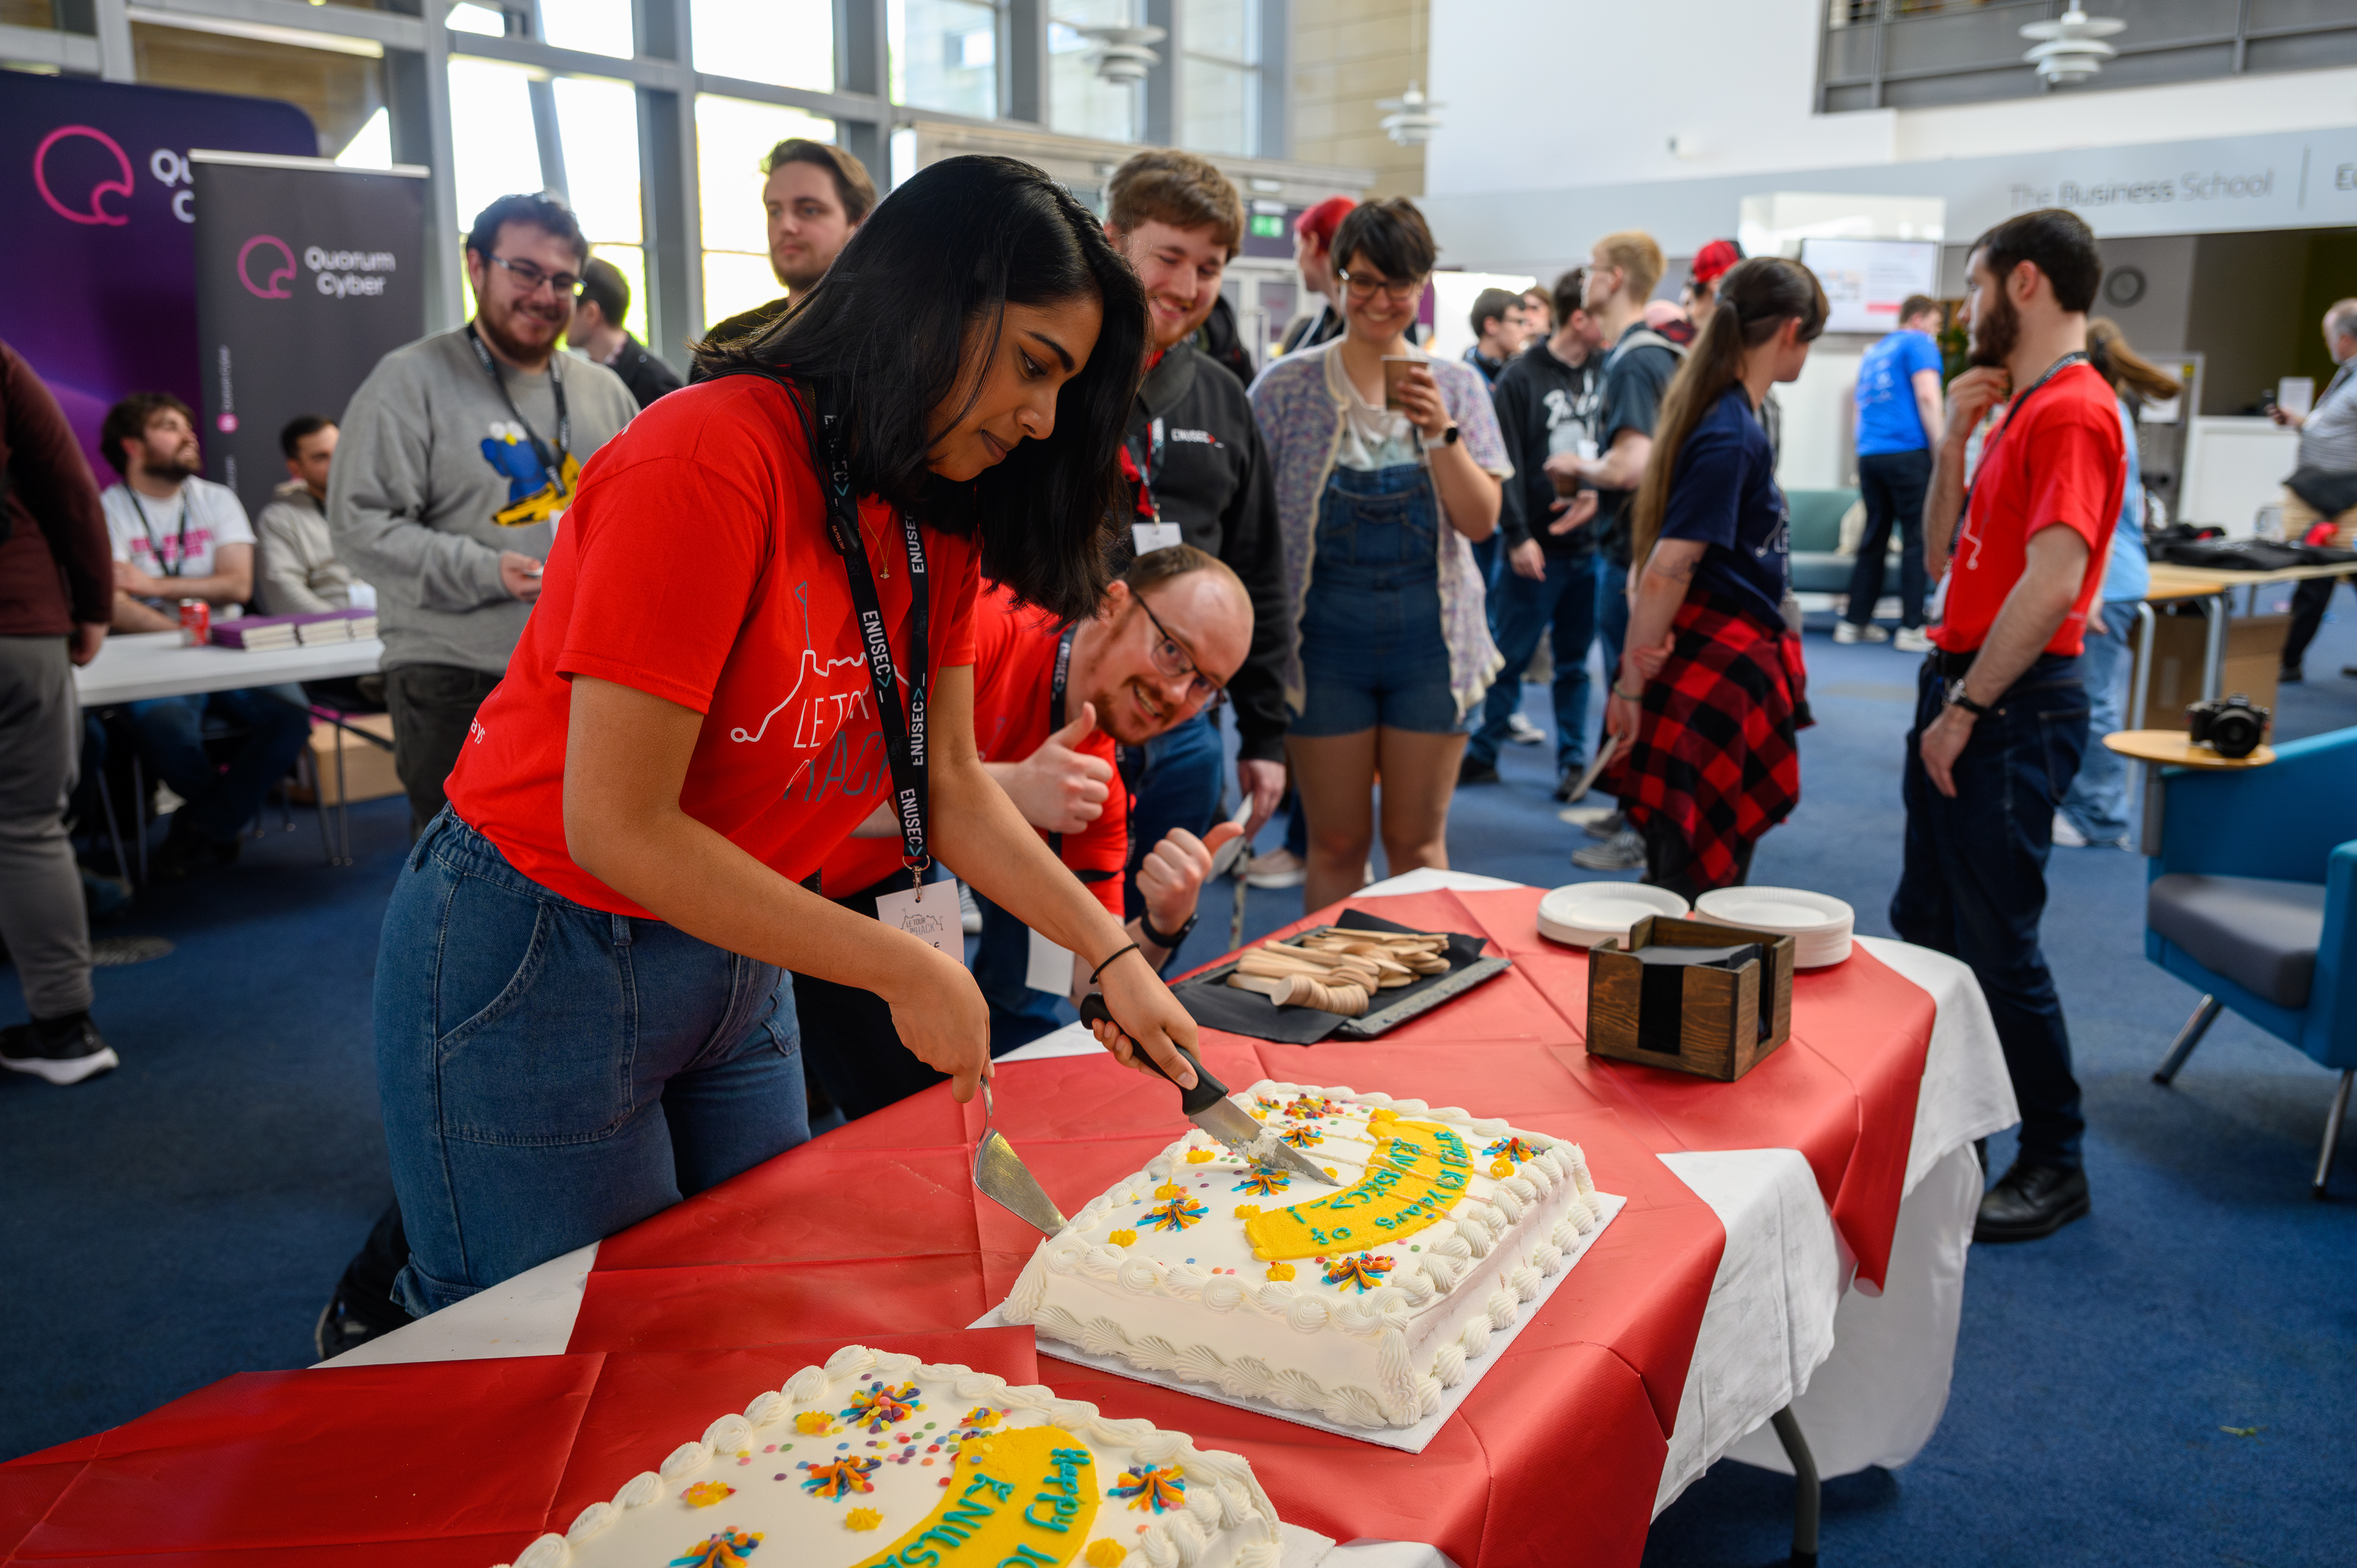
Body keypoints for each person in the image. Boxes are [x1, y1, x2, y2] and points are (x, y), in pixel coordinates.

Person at [365, 154, 1177, 1322]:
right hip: (547, 937)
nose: (1041, 418)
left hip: (740, 932)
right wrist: (902, 963)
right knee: (557, 1335)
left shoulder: (934, 503)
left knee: (750, 1308)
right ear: (937, 307)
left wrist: (1113, 952)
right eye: (1034, 366)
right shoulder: (709, 456)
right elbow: (618, 825)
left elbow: (948, 782)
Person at [802, 546, 1252, 1111]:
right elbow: (804, 786)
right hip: (760, 875)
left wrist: (1166, 923)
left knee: (927, 1103)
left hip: (873, 886)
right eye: (1172, 652)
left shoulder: (1095, 782)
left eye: (1205, 686)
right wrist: (1007, 786)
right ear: (1114, 604)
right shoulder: (986, 627)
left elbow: (1090, 980)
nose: (1178, 694)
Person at [1893, 208, 2123, 1245]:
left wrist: (1968, 708)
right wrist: (1953, 445)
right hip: (1968, 684)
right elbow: (1942, 556)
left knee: (1997, 941)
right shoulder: (2019, 407)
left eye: (1979, 286)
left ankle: (2055, 1158)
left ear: (2024, 283)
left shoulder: (2072, 409)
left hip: (2008, 704)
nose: (1967, 309)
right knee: (1933, 921)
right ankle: (1963, 1133)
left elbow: (2057, 581)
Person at [329, 192, 639, 834]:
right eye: (524, 272)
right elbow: (360, 527)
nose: (544, 295)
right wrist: (487, 571)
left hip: (585, 675)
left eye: (562, 281)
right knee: (464, 872)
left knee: (588, 860)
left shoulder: (603, 391)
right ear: (476, 266)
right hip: (457, 674)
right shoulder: (408, 381)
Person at [1249, 197, 1506, 913]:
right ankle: (1334, 978)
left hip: (1433, 640)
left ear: (1421, 286)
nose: (1379, 300)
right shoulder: (1286, 387)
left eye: (1398, 284)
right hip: (1321, 642)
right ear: (1338, 277)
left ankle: (1420, 977)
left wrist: (1440, 432)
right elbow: (1252, 525)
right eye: (1362, 280)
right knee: (1334, 843)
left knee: (1417, 845)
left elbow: (1480, 521)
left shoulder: (1457, 386)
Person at [1095, 151, 1289, 920]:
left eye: (1208, 268)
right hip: (1065, 719)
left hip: (1187, 729)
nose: (1186, 285)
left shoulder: (1223, 396)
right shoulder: (1055, 377)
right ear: (1112, 241)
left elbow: (1258, 569)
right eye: (1169, 257)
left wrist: (1265, 734)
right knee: (1038, 957)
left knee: (1163, 926)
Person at [1605, 258, 1823, 897]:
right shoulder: (1731, 431)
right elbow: (1666, 566)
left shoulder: (1720, 414)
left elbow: (1654, 557)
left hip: (1711, 660)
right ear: (1791, 330)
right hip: (1713, 673)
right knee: (1694, 891)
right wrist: (1630, 685)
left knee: (1686, 880)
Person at [98, 392, 315, 878]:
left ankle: (202, 825)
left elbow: (236, 585)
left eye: (188, 425)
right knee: (167, 730)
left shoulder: (216, 499)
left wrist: (153, 586)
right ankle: (218, 820)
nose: (189, 436)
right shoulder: (106, 510)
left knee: (291, 717)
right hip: (148, 652)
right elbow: (114, 604)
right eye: (169, 426)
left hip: (229, 643)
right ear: (132, 445)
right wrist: (185, 630)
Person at [0, 342, 119, 1087]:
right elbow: (69, 488)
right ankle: (66, 1031)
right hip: (20, 621)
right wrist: (93, 602)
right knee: (27, 826)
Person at [1558, 231, 1684, 872]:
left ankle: (1642, 826)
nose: (1584, 279)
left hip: (1633, 553)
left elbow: (1632, 464)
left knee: (1632, 687)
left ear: (1612, 279)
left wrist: (1575, 468)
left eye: (1591, 269)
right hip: (1636, 543)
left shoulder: (1636, 359)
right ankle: (1633, 808)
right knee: (1626, 683)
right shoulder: (1649, 354)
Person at [1463, 267, 1608, 797]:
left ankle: (1573, 761)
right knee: (1509, 657)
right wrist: (1519, 535)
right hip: (1534, 548)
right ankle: (1484, 752)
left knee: (1574, 665)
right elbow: (1501, 465)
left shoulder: (1608, 371)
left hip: (1590, 548)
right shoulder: (1522, 377)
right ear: (1580, 318)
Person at [2056, 319, 2178, 849]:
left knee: (2093, 699)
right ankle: (2085, 805)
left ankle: (2101, 817)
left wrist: (2091, 592)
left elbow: (2098, 514)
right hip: (2109, 577)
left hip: (2108, 582)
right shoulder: (2111, 407)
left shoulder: (2098, 409)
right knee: (2084, 696)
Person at [694, 138, 876, 365]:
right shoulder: (728, 344)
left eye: (809, 210)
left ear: (859, 223)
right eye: (775, 212)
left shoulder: (888, 339)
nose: (786, 226)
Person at [1839, 293, 1945, 651]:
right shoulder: (1918, 343)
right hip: (1907, 453)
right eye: (1935, 325)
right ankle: (1912, 627)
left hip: (1870, 454)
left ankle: (1854, 623)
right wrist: (1943, 452)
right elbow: (1928, 397)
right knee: (1916, 538)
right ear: (1918, 319)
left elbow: (1859, 407)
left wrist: (1863, 449)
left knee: (1874, 538)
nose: (1935, 333)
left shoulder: (1875, 352)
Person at [2273, 298, 2357, 682]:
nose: (2328, 345)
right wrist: (2301, 423)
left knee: (2321, 575)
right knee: (2317, 575)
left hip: (2347, 499)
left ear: (2344, 339)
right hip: (2322, 495)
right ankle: (2289, 659)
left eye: (2328, 338)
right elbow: (2335, 428)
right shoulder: (2347, 376)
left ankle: (2289, 660)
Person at [254, 415, 355, 614]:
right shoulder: (279, 520)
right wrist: (346, 626)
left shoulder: (380, 504)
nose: (337, 463)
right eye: (321, 457)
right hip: (333, 628)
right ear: (296, 468)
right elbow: (286, 597)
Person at [567, 257, 684, 410]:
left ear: (591, 313)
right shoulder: (584, 374)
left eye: (569, 309)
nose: (561, 318)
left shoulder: (657, 386)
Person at [1277, 195, 1356, 356]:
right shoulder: (1317, 327)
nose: (1297, 259)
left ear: (1313, 243)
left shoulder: (1362, 332)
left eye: (1299, 247)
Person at [1463, 287, 1524, 387]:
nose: (1525, 330)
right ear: (1491, 325)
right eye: (1519, 322)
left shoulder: (1519, 373)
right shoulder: (1463, 378)